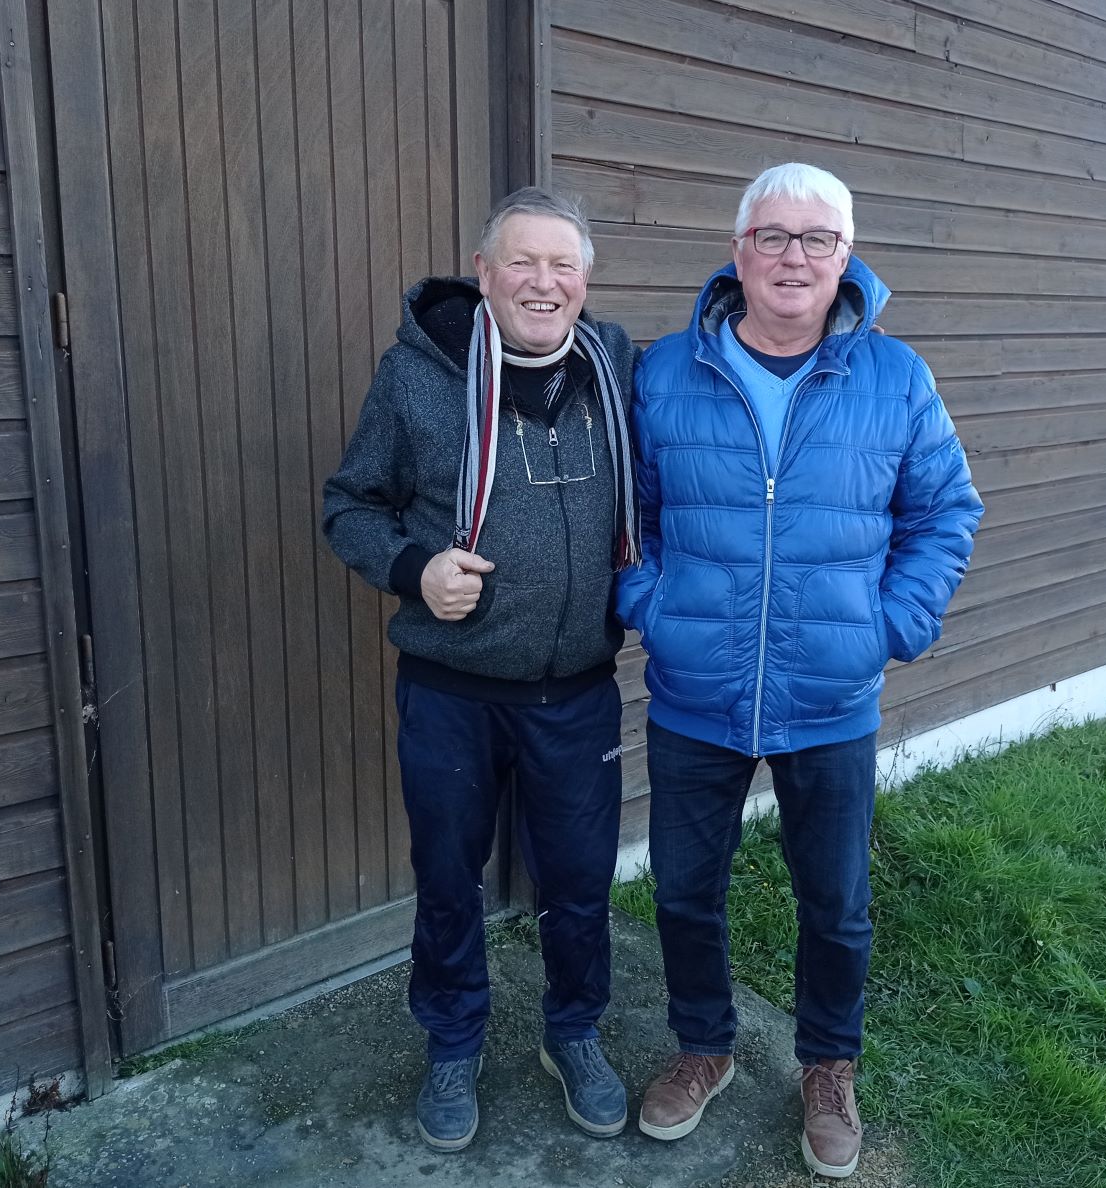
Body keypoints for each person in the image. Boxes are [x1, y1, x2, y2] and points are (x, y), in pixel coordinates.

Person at [617, 163, 982, 1179]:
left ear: (845, 257)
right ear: (737, 253)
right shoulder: (664, 374)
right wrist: (654, 609)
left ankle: (828, 1064)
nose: (793, 257)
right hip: (697, 689)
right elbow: (626, 520)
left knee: (836, 900)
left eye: (816, 239)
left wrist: (891, 625)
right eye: (772, 236)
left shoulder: (895, 378)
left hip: (831, 693)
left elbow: (947, 511)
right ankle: (704, 1046)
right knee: (687, 889)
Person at [322, 188, 639, 1150]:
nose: (545, 282)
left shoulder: (616, 369)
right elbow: (349, 506)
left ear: (584, 280)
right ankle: (453, 1042)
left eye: (564, 265)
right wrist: (415, 570)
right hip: (452, 691)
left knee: (581, 883)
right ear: (485, 271)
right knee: (449, 880)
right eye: (524, 263)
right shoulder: (417, 378)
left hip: (577, 692)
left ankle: (572, 1032)